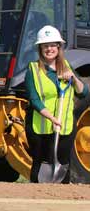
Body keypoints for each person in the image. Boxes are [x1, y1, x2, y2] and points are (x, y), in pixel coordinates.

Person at [25, 25, 86, 183]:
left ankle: (61, 198)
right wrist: (52, 118)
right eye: (45, 46)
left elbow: (83, 92)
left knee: (64, 164)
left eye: (53, 45)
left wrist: (73, 77)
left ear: (59, 47)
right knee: (40, 166)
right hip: (40, 128)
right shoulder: (33, 69)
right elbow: (34, 99)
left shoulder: (66, 67)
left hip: (65, 127)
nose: (49, 49)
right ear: (40, 48)